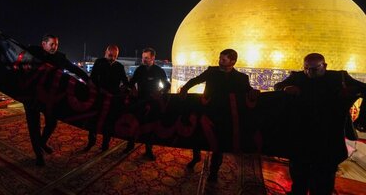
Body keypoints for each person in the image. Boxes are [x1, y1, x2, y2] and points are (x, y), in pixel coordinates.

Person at [274, 53, 366, 195]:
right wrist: (285, 89)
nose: (309, 72)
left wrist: (354, 90)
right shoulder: (297, 77)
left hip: (329, 135)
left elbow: (364, 89)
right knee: (299, 173)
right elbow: (278, 86)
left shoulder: (339, 77)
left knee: (325, 175)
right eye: (306, 68)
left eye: (314, 69)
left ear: (324, 66)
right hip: (301, 134)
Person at [179, 49, 256, 181]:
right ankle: (196, 158)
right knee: (197, 137)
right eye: (220, 58)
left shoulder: (241, 78)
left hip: (225, 117)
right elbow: (196, 80)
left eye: (223, 60)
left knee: (218, 145)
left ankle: (213, 172)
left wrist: (254, 92)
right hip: (207, 112)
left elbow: (248, 92)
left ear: (233, 61)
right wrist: (185, 88)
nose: (220, 61)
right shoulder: (211, 72)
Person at [24, 34, 91, 166]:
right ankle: (39, 155)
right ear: (43, 44)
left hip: (49, 97)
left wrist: (88, 80)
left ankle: (42, 142)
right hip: (31, 96)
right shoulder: (33, 51)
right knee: (34, 126)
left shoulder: (60, 57)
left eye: (56, 44)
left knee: (52, 122)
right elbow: (14, 48)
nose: (54, 47)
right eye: (52, 44)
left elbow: (74, 69)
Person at [126, 47, 171, 160]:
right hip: (140, 101)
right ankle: (130, 145)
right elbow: (131, 82)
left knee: (150, 127)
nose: (143, 60)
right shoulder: (139, 70)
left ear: (153, 58)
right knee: (135, 123)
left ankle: (148, 150)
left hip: (152, 103)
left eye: (146, 58)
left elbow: (167, 86)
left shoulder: (159, 70)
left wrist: (160, 92)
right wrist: (133, 89)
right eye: (143, 58)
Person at [83, 45, 129, 151]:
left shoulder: (119, 67)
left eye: (115, 56)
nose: (112, 58)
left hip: (112, 98)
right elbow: (93, 78)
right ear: (106, 52)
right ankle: (91, 142)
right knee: (93, 120)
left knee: (108, 122)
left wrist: (124, 88)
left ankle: (105, 144)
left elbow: (125, 82)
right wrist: (98, 89)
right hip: (99, 96)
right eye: (110, 55)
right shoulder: (99, 62)